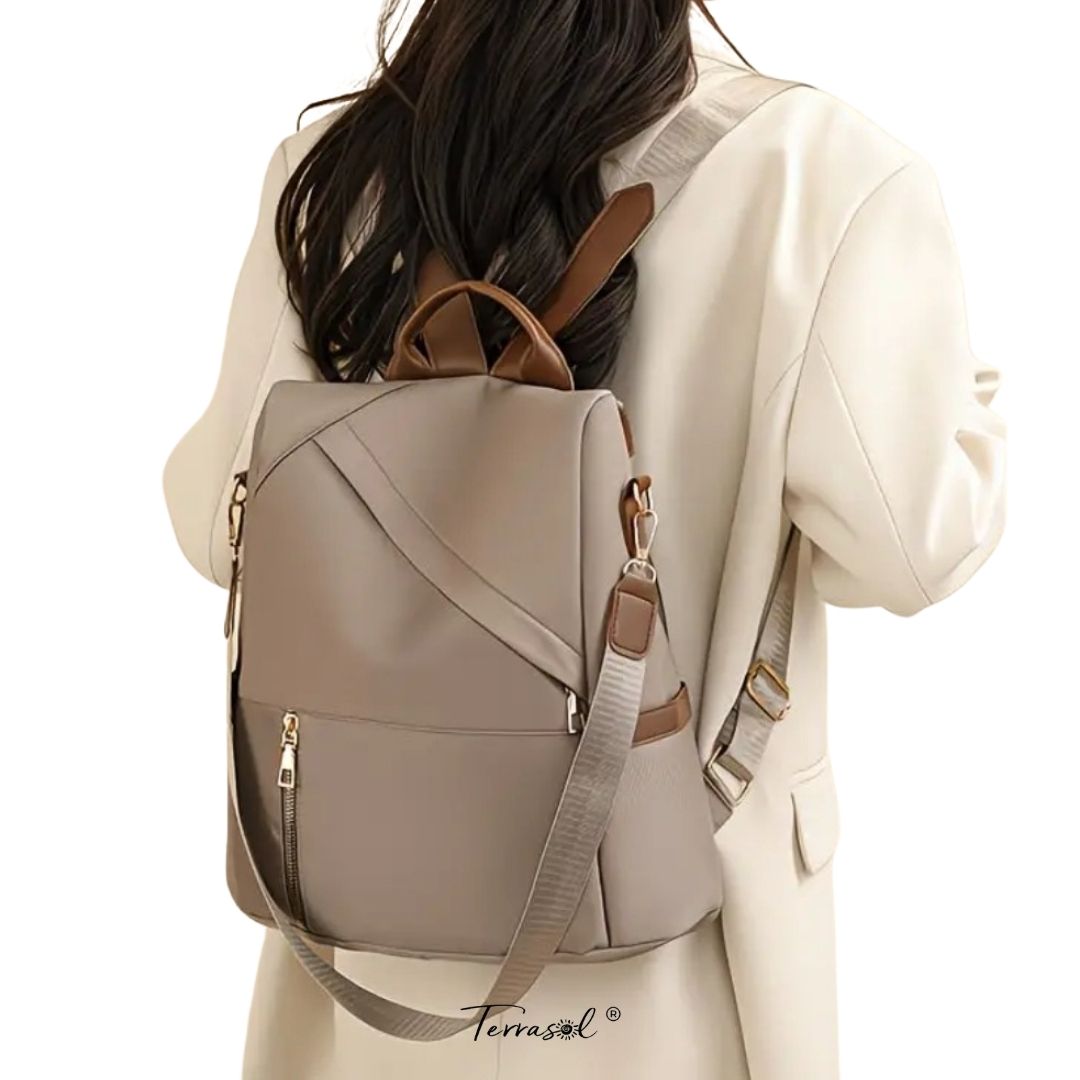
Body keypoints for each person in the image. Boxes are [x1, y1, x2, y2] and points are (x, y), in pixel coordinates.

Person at [163, 2, 1006, 1077]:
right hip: (677, 967)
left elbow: (220, 528)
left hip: (372, 967)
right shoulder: (818, 173)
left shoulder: (338, 172)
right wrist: (963, 393)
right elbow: (913, 543)